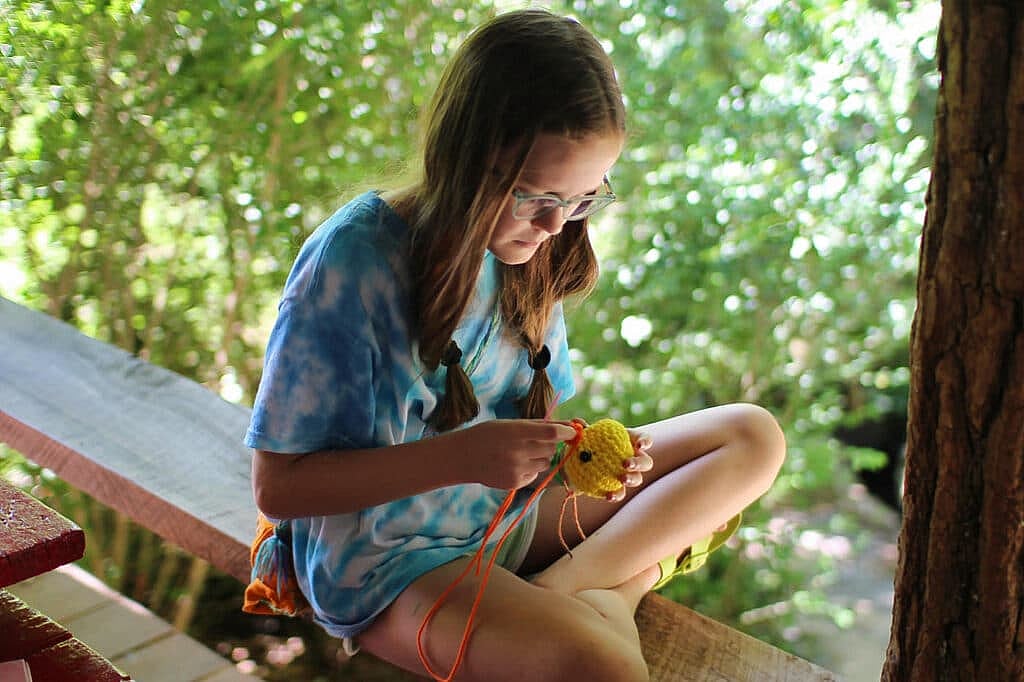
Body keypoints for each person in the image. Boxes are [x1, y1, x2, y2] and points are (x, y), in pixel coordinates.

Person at [245, 9, 785, 682]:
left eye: (584, 198)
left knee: (751, 437)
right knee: (609, 671)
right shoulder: (353, 263)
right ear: (466, 160)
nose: (557, 225)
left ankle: (580, 593)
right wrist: (460, 458)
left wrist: (580, 452)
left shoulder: (529, 248)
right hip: (387, 562)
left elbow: (527, 429)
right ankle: (610, 595)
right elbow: (278, 488)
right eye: (534, 196)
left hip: (503, 519)